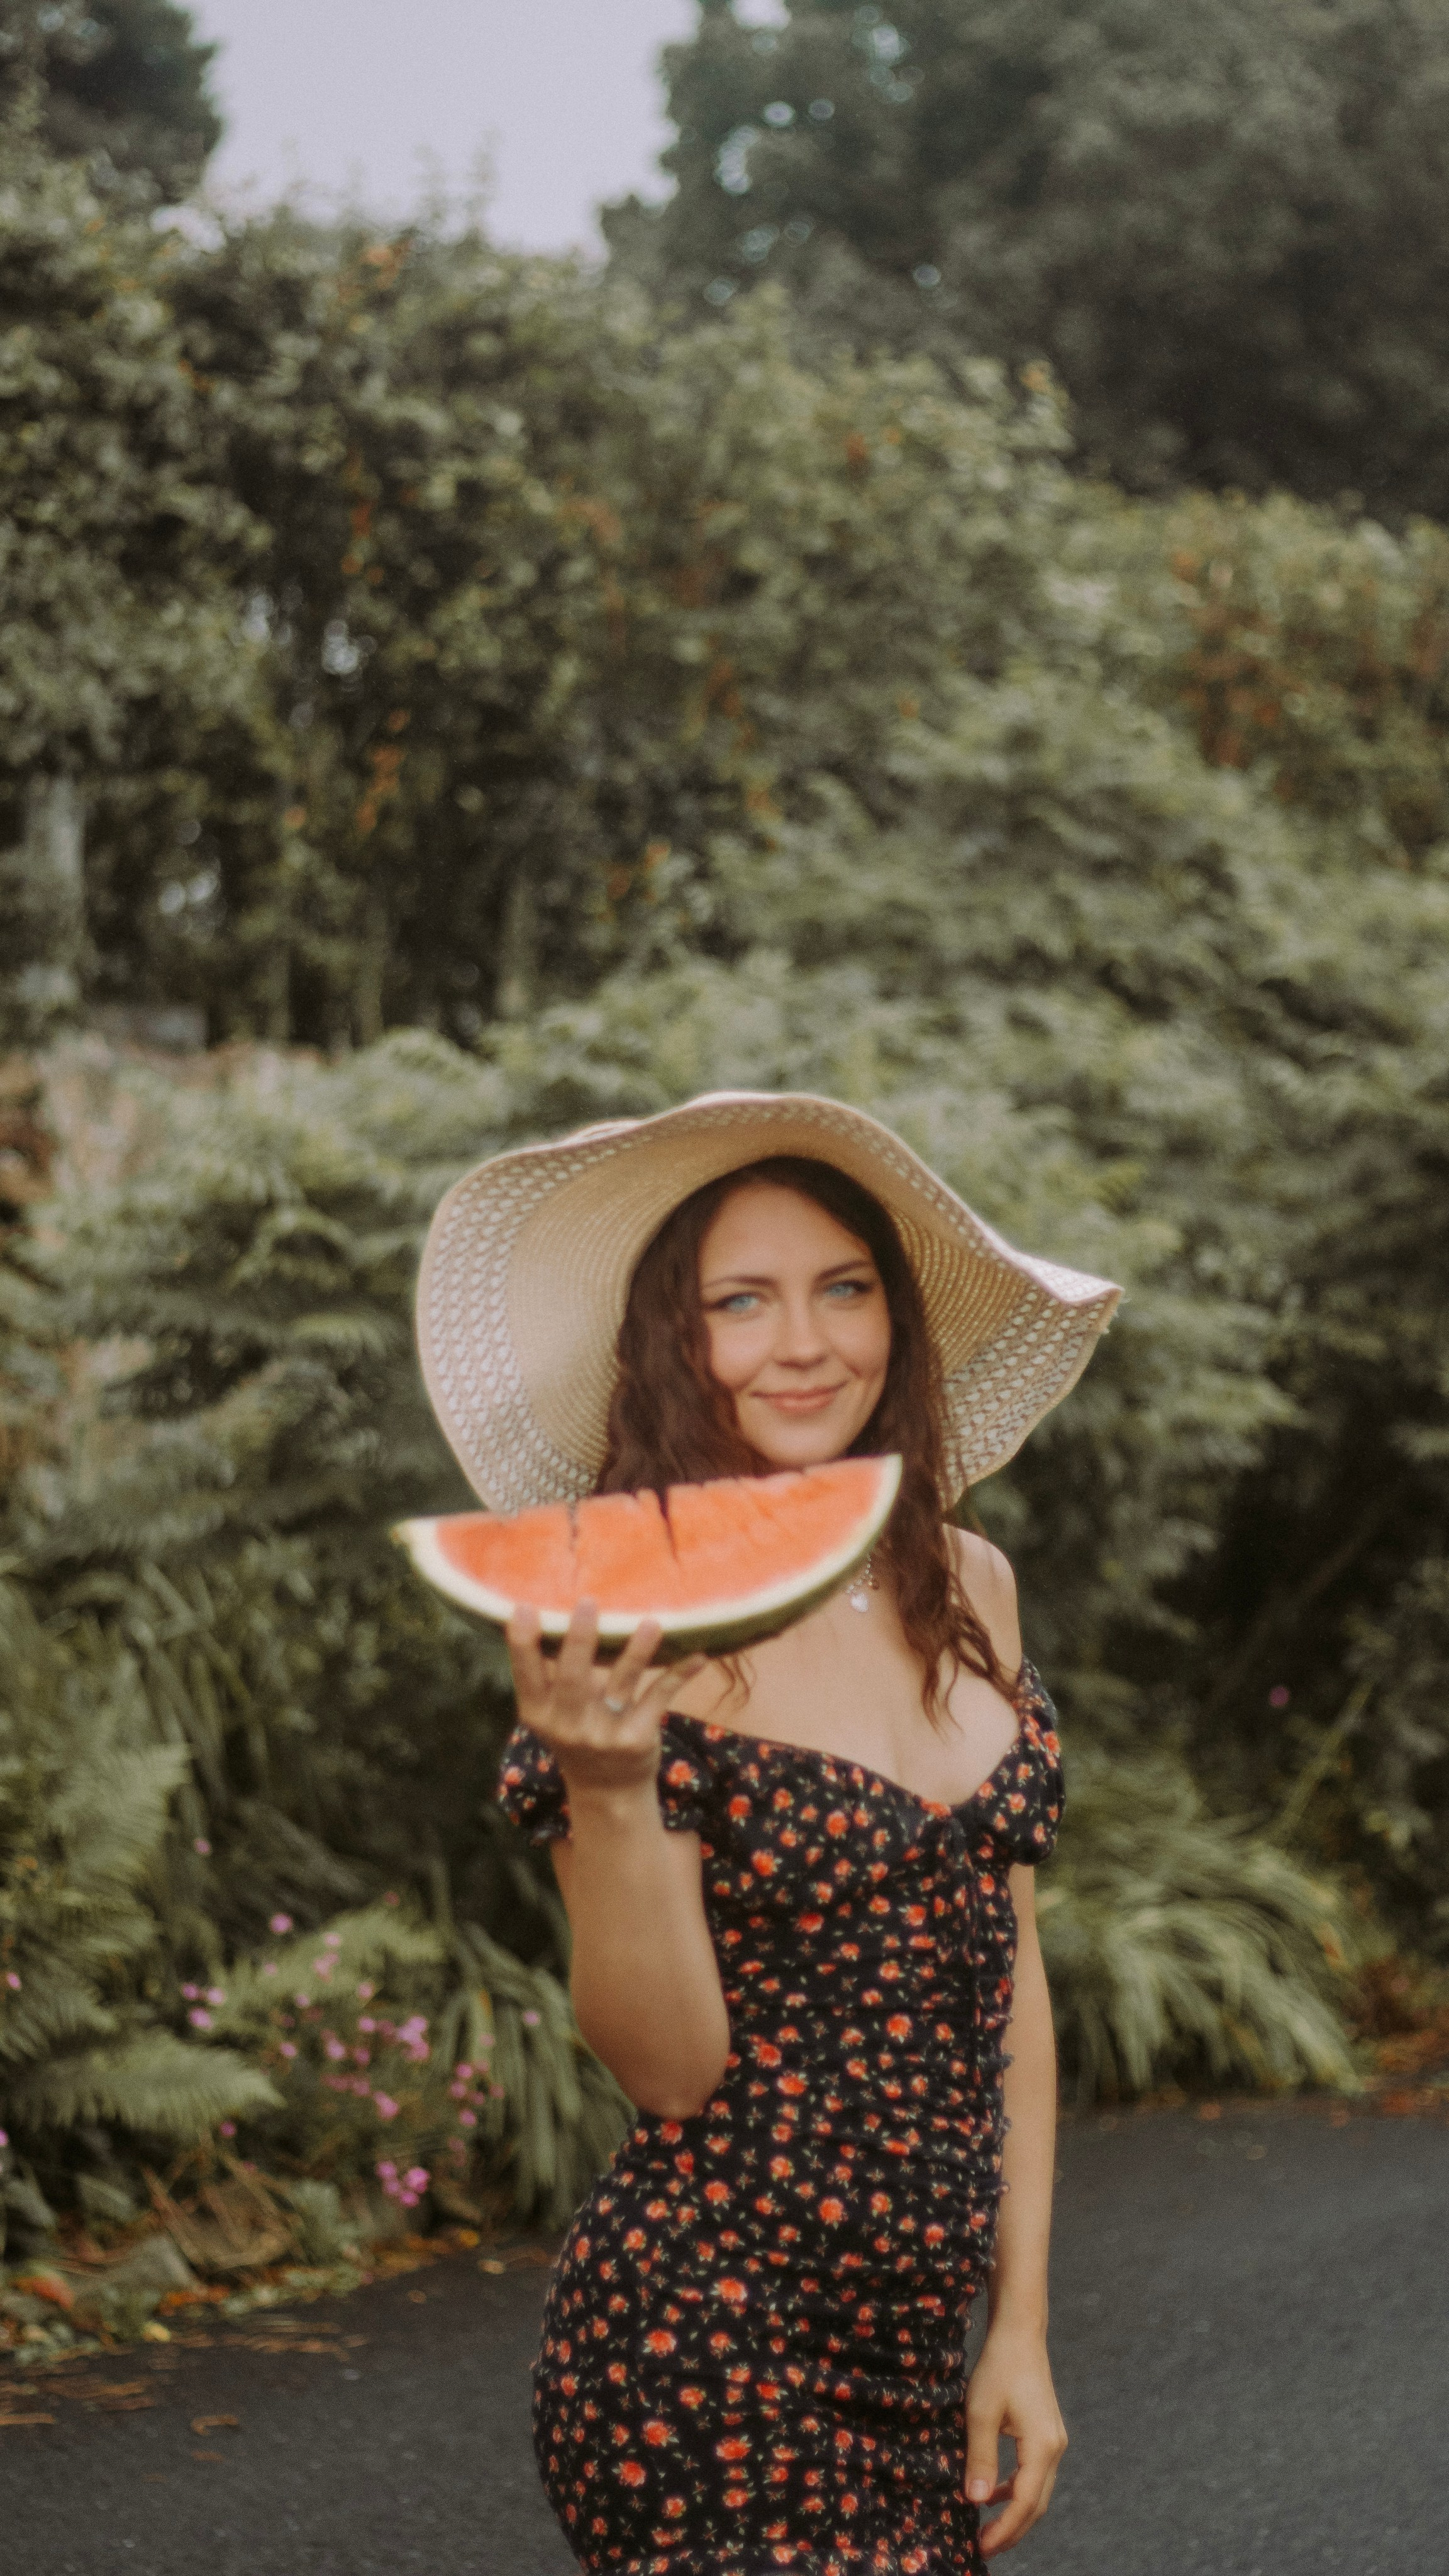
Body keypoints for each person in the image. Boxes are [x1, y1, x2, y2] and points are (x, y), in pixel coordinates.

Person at [416, 1092, 1120, 2576]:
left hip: (922, 2362)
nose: (804, 1341)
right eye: (743, 1300)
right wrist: (608, 1790)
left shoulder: (972, 1579)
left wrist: (1025, 2327)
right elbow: (667, 2069)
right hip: (705, 2343)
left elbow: (1015, 1990)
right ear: (677, 1338)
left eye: (843, 1286)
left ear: (898, 1313)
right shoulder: (627, 1612)